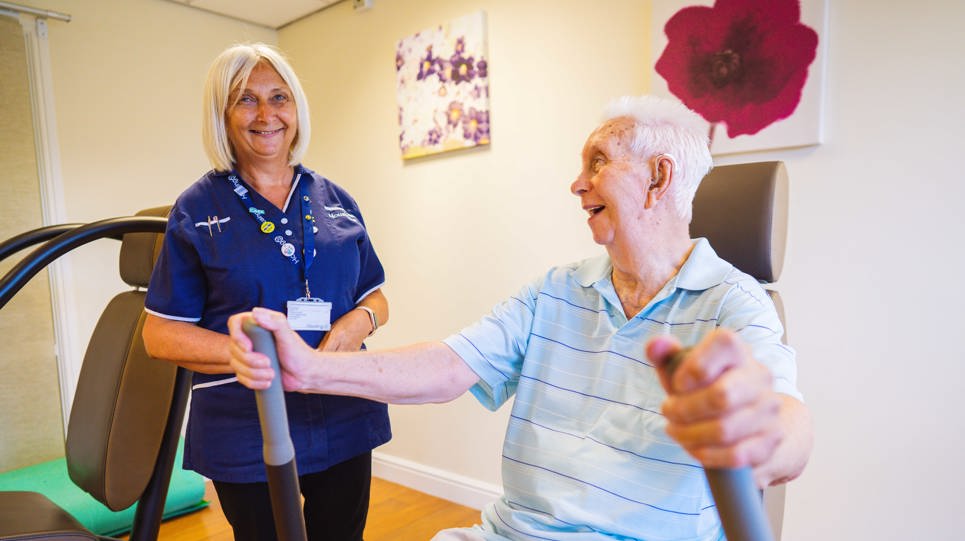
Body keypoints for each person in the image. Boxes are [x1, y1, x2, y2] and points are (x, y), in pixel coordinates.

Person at [227, 95, 814, 540]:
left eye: (598, 163)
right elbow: (448, 367)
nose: (577, 184)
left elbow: (788, 427)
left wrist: (758, 432)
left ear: (658, 178)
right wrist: (310, 368)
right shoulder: (557, 289)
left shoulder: (734, 303)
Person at [141, 43, 390, 541]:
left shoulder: (336, 200)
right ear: (222, 114)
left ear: (296, 108)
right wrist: (247, 353)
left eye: (279, 97)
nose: (266, 114)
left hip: (341, 405)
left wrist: (359, 322)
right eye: (246, 99)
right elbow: (159, 335)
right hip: (246, 422)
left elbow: (376, 298)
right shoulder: (196, 209)